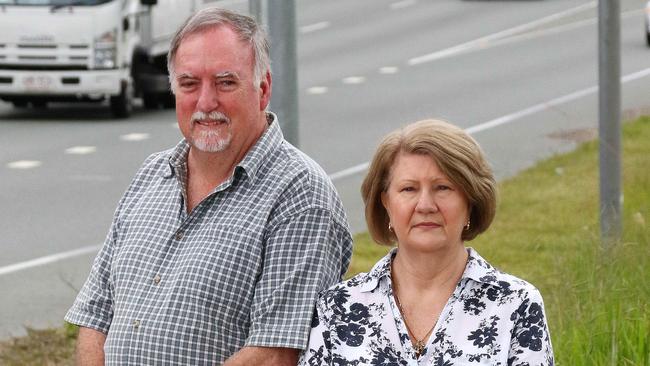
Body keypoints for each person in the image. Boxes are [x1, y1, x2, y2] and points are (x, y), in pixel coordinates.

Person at [65, 7, 353, 365]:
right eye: (189, 84)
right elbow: (96, 315)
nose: (205, 102)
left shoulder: (301, 196)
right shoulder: (152, 175)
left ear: (262, 89)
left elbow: (275, 354)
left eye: (225, 82)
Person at [299, 119, 554, 365]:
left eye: (443, 187)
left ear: (471, 201)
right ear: (385, 202)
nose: (425, 205)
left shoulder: (515, 304)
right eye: (409, 189)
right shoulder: (337, 308)